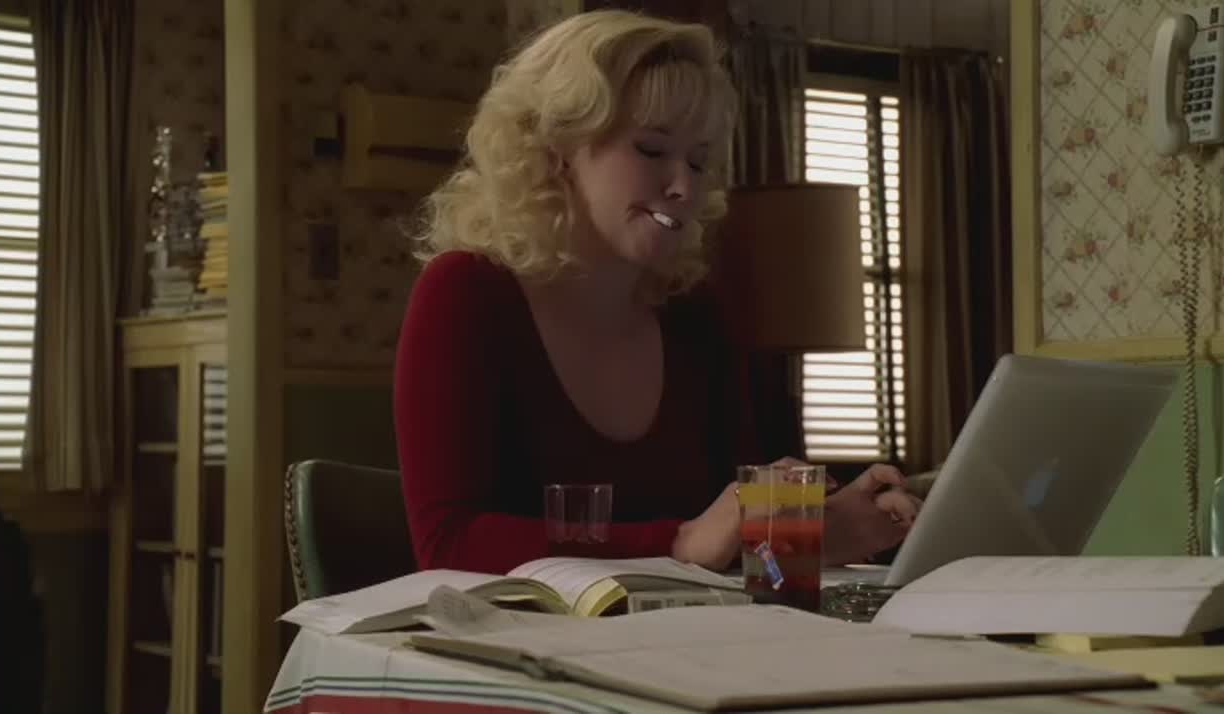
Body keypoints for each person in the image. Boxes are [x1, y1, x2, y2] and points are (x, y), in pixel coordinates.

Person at [394, 9, 921, 575]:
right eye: (651, 150)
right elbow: (447, 544)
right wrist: (679, 542)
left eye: (699, 160)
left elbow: (737, 541)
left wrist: (822, 531)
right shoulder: (465, 294)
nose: (684, 186)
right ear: (555, 149)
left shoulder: (693, 315)